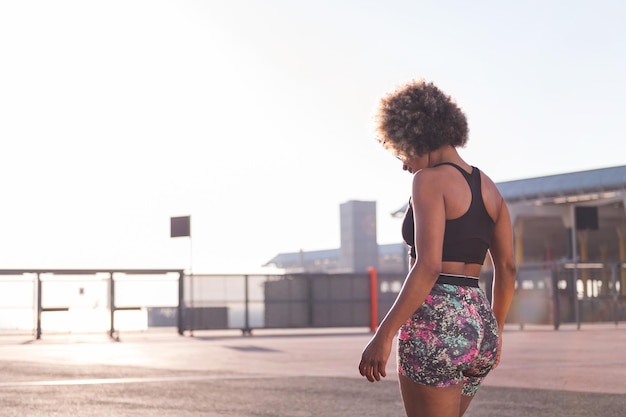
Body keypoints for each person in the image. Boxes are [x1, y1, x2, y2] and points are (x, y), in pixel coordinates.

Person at [358, 79, 516, 417]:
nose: (404, 163)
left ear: (415, 134)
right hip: (481, 326)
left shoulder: (428, 181)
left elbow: (428, 265)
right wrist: (496, 331)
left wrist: (383, 335)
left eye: (401, 150)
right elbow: (508, 269)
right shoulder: (491, 190)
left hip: (437, 325)